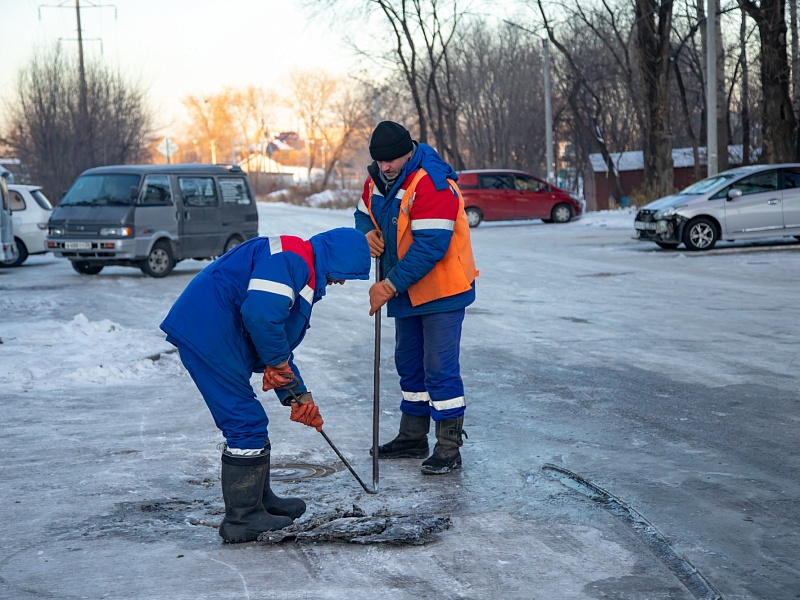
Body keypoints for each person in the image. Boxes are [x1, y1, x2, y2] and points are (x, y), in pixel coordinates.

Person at [160, 228, 370, 543]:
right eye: (344, 275)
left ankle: (259, 500)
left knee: (251, 421)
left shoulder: (298, 262)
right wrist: (279, 365)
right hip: (208, 334)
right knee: (245, 421)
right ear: (337, 260)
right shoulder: (292, 260)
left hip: (216, 332)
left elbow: (276, 342)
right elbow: (260, 317)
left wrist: (298, 396)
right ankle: (242, 518)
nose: (340, 282)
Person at [354, 121, 478, 475]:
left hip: (442, 290)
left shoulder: (432, 182)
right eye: (380, 161)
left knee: (439, 369)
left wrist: (389, 285)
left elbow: (430, 248)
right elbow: (362, 213)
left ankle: (449, 447)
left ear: (407, 152)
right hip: (407, 289)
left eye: (391, 160)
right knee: (409, 366)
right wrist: (367, 233)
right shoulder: (377, 180)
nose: (385, 167)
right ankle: (412, 437)